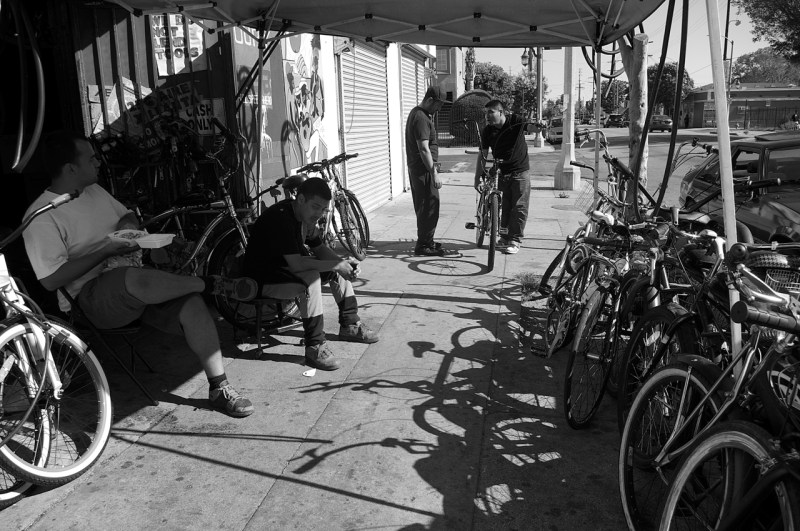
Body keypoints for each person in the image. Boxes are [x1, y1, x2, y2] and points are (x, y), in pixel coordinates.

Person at [23, 130, 259, 418]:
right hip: (90, 300)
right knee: (137, 279)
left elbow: (130, 216)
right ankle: (208, 284)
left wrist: (125, 230)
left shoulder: (93, 191)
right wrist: (107, 250)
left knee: (190, 303)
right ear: (71, 168)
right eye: (92, 158)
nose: (99, 163)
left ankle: (219, 387)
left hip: (135, 282)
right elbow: (50, 280)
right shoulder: (42, 214)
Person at [242, 177, 379, 371]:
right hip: (262, 280)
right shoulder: (281, 218)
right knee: (312, 277)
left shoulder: (304, 217)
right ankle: (314, 346)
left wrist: (344, 264)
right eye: (315, 207)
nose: (320, 214)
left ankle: (350, 325)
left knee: (337, 269)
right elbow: (297, 264)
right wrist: (335, 265)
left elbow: (319, 248)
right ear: (300, 200)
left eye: (324, 209)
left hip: (286, 272)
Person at [404, 86, 458, 257]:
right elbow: (424, 149)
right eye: (439, 104)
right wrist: (434, 172)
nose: (440, 109)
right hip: (424, 171)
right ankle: (424, 246)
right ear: (429, 100)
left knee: (427, 207)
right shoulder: (420, 117)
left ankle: (427, 240)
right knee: (429, 208)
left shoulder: (419, 114)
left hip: (421, 170)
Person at [474, 99, 531, 255]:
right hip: (501, 171)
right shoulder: (488, 131)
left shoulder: (515, 121)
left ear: (501, 112)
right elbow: (483, 154)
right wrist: (478, 176)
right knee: (503, 207)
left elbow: (530, 127)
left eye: (491, 112)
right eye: (486, 113)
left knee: (519, 207)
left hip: (520, 171)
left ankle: (515, 240)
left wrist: (539, 128)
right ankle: (504, 237)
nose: (488, 116)